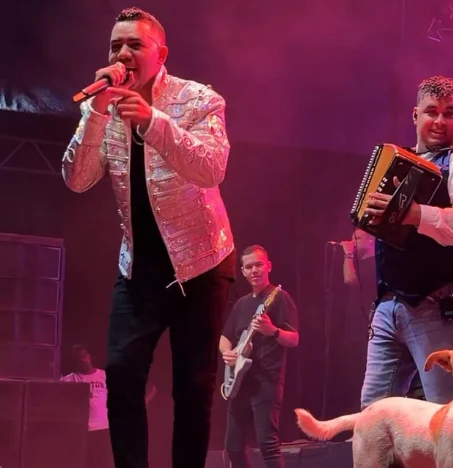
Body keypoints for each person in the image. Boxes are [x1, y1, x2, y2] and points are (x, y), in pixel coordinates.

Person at [60, 8, 235, 468]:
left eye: (134, 45)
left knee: (193, 387)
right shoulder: (99, 105)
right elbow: (77, 179)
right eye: (115, 46)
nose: (122, 54)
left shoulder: (198, 99)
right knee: (120, 375)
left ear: (161, 54)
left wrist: (154, 121)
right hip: (138, 267)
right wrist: (97, 112)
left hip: (202, 262)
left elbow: (212, 167)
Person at [358, 76, 453, 408]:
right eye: (431, 112)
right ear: (415, 115)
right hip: (390, 305)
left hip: (441, 304)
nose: (439, 121)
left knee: (449, 416)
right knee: (374, 419)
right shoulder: (403, 160)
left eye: (449, 113)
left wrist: (416, 214)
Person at [219, 246, 299, 468]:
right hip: (240, 382)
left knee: (268, 445)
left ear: (268, 266)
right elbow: (225, 337)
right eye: (248, 266)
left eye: (258, 264)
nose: (254, 270)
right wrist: (229, 353)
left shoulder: (280, 298)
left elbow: (294, 339)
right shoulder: (241, 304)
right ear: (243, 272)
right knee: (233, 446)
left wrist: (272, 330)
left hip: (267, 381)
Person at [62, 345, 158, 468]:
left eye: (84, 356)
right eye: (79, 358)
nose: (83, 360)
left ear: (89, 356)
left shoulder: (104, 376)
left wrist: (146, 397)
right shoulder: (71, 379)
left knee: (103, 463)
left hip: (104, 429)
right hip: (83, 430)